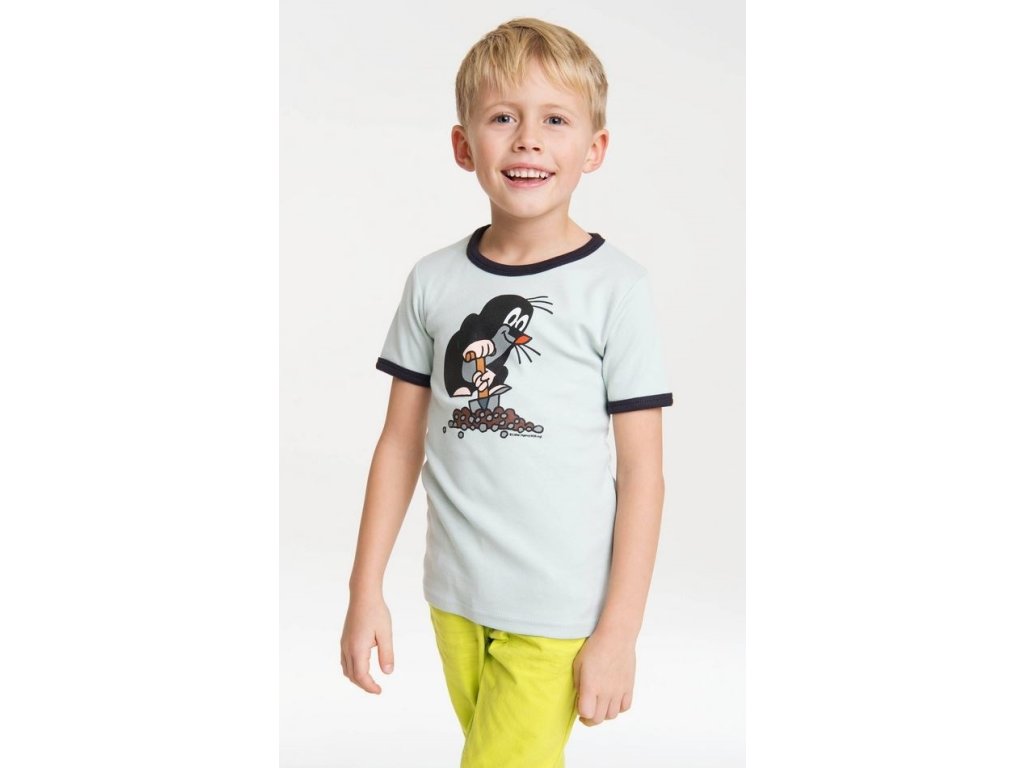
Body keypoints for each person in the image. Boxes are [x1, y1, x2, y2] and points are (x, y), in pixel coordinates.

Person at [340, 17, 673, 767]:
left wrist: (619, 632)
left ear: (594, 148)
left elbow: (643, 474)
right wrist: (365, 591)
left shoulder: (617, 289)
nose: (528, 140)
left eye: (555, 120)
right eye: (502, 118)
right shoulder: (433, 280)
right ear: (464, 146)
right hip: (453, 598)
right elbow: (399, 445)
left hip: (558, 608)